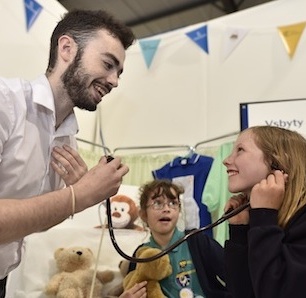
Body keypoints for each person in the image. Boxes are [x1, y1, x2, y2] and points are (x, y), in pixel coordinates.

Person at [0, 9, 135, 296]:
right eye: (108, 64)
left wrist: (79, 197)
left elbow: (34, 221)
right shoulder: (5, 104)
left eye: (119, 72)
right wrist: (78, 196)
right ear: (67, 48)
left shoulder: (68, 140)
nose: (114, 81)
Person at [223, 125, 306, 298]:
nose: (226, 160)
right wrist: (240, 231)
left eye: (240, 150)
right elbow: (243, 292)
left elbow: (278, 292)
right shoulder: (262, 219)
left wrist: (263, 215)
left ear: (279, 162)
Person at [126, 179, 229, 298]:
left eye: (172, 203)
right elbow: (133, 287)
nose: (166, 209)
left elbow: (233, 274)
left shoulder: (197, 241)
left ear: (179, 210)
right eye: (157, 203)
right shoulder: (141, 255)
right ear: (144, 214)